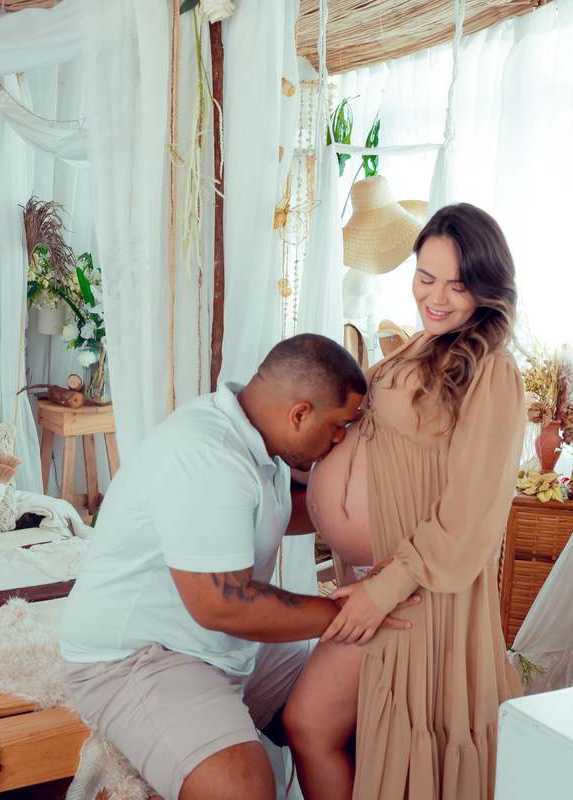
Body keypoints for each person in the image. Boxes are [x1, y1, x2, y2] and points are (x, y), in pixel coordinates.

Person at [57, 333, 423, 800]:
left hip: (223, 645)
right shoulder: (207, 456)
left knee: (355, 711)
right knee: (241, 787)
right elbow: (223, 604)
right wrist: (350, 611)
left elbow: (294, 511)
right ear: (299, 414)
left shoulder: (261, 443)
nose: (340, 439)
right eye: (338, 425)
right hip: (140, 654)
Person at [284, 203, 527, 800]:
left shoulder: (492, 372)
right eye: (425, 278)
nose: (436, 298)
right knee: (352, 737)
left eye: (457, 286)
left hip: (413, 590)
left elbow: (472, 514)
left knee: (310, 723)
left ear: (487, 288)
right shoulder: (423, 343)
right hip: (378, 578)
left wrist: (383, 588)